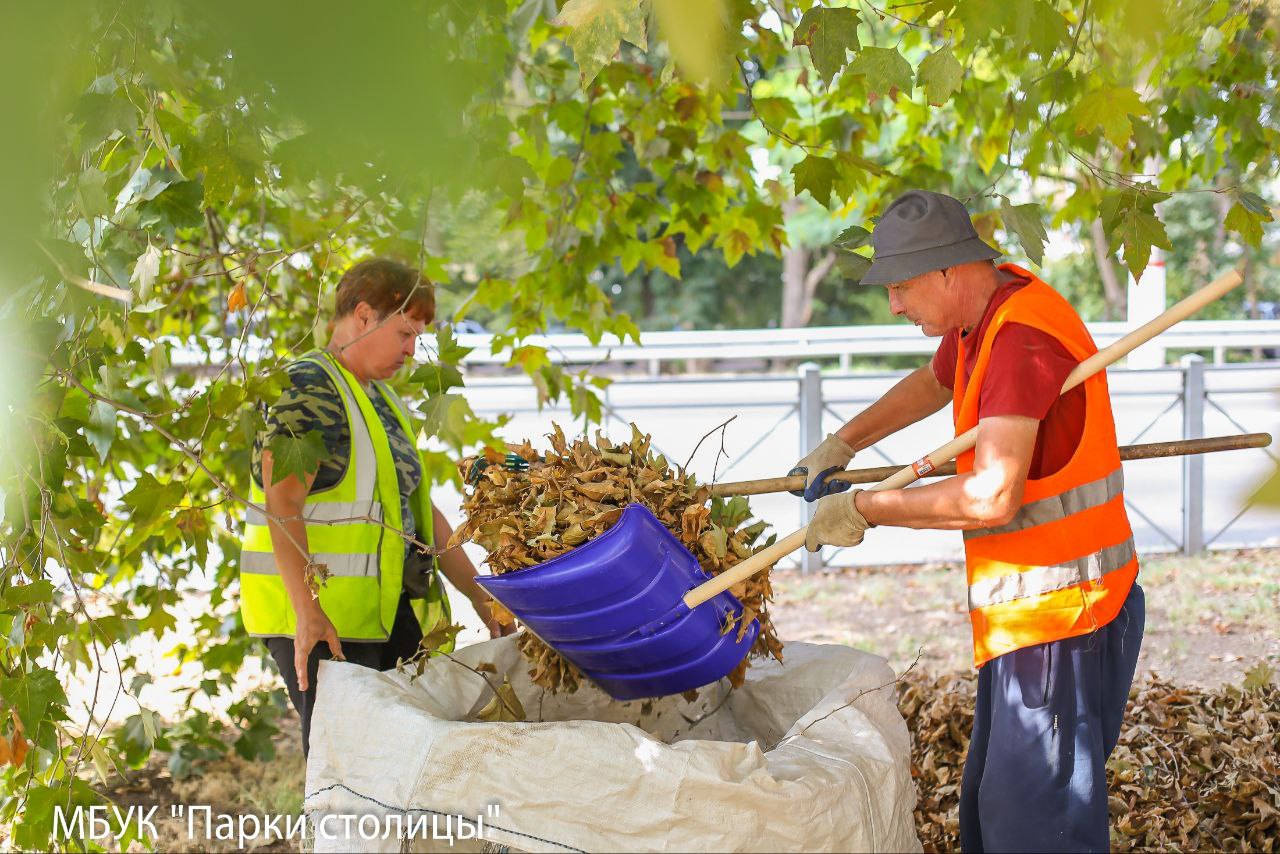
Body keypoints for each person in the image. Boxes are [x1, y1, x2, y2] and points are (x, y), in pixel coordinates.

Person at [792, 191, 1144, 853]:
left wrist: (865, 508)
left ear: (949, 270)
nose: (894, 305)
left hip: (1065, 619)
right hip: (1033, 619)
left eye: (901, 286)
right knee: (993, 813)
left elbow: (990, 497)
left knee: (1036, 830)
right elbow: (936, 383)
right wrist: (844, 443)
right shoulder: (986, 312)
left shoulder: (1020, 340)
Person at [239, 258, 510, 756]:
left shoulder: (379, 398)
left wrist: (481, 595)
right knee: (348, 767)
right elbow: (283, 502)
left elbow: (420, 513)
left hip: (379, 616)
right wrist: (308, 609)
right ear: (363, 315)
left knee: (406, 758)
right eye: (405, 333)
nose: (411, 350)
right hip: (324, 622)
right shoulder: (307, 387)